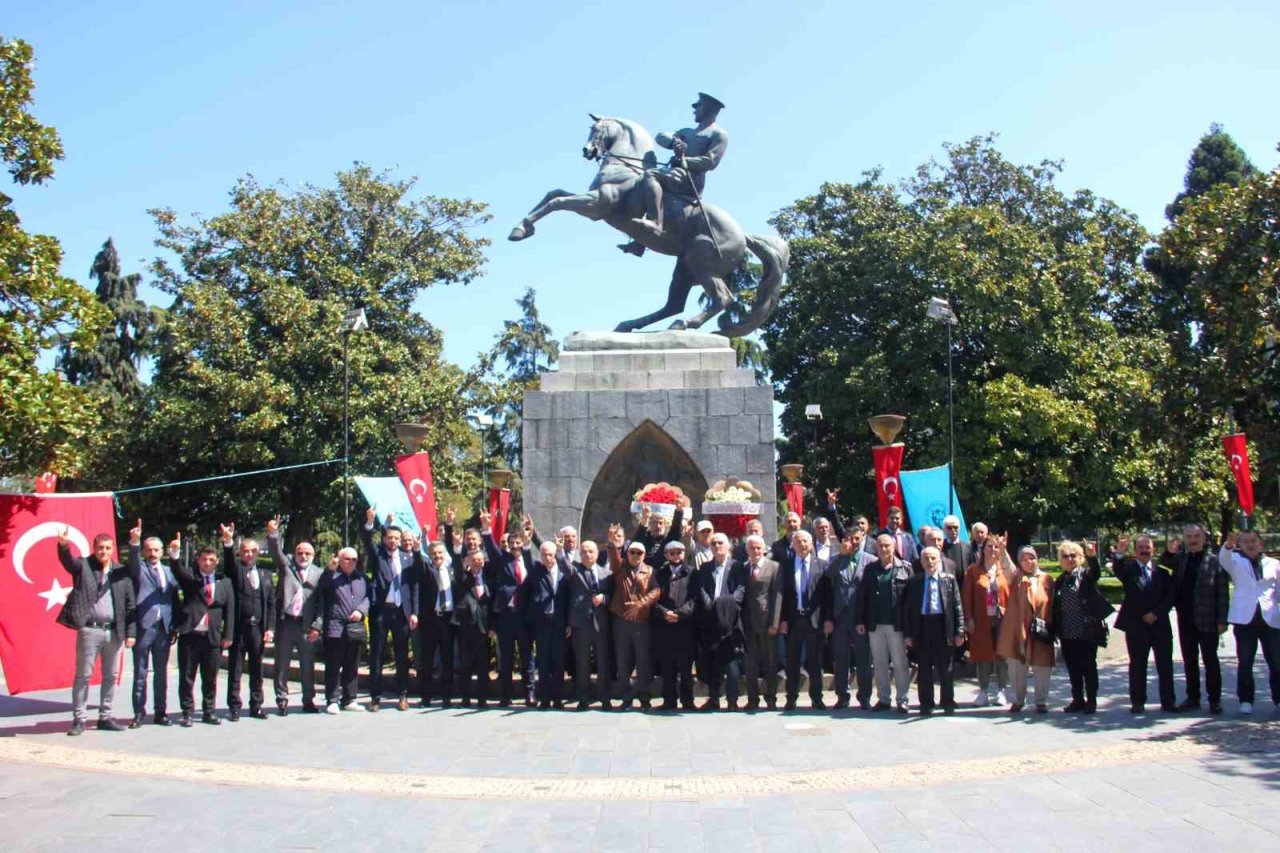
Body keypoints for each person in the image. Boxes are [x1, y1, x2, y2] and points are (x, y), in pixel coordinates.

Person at [622, 92, 728, 254]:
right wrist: (673, 142)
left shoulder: (718, 134)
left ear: (706, 109)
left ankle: (656, 223)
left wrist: (684, 162)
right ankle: (640, 242)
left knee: (651, 175)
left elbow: (711, 161)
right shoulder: (686, 132)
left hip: (691, 179)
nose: (694, 110)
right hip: (674, 174)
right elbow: (660, 136)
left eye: (697, 106)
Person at [57, 528, 137, 735]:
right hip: (90, 631)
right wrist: (64, 546)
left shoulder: (121, 573)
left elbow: (129, 605)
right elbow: (68, 563)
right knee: (83, 676)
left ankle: (106, 716)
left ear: (113, 550)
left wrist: (131, 633)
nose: (104, 551)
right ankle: (79, 719)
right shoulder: (84, 566)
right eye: (100, 548)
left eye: (108, 548)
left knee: (111, 676)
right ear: (94, 549)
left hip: (114, 632)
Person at [1162, 525, 1229, 713]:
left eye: (1197, 536)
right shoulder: (1180, 559)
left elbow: (1222, 592)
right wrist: (1169, 550)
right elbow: (1164, 561)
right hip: (1185, 618)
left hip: (1208, 619)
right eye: (1189, 536)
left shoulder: (1215, 561)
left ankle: (1214, 700)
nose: (1193, 539)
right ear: (1184, 539)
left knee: (1211, 661)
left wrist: (1222, 620)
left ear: (1204, 538)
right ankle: (1193, 697)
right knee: (1189, 660)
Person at [170, 535, 235, 726]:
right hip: (191, 635)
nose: (207, 563)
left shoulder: (224, 582)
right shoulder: (191, 577)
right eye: (204, 559)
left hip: (212, 638)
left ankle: (209, 711)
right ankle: (187, 712)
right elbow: (177, 570)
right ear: (198, 560)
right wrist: (174, 553)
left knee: (210, 678)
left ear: (217, 562)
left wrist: (228, 635)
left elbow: (229, 610)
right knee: (187, 676)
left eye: (211, 560)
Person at [266, 516, 325, 715]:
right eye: (300, 552)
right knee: (281, 664)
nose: (303, 556)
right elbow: (276, 553)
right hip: (287, 623)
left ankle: (308, 700)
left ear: (313, 555)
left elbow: (321, 603)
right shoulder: (287, 567)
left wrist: (317, 625)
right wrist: (273, 534)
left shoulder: (319, 573)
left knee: (307, 665)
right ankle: (281, 700)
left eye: (307, 553)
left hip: (307, 626)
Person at [1111, 535, 1177, 713]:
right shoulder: (1128, 569)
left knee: (1165, 665)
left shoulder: (1162, 572)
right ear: (1135, 550)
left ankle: (1168, 702)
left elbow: (1170, 597)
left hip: (1160, 624)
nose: (1144, 549)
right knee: (1137, 664)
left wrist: (1156, 613)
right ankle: (1138, 702)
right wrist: (1119, 553)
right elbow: (1117, 569)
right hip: (1136, 626)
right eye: (1140, 546)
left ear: (1153, 549)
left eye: (1147, 546)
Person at [1218, 530, 1280, 715]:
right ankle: (1246, 700)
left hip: (1270, 619)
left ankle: (1278, 698)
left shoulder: (1274, 564)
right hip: (1245, 620)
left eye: (1253, 541)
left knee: (1276, 662)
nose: (1250, 544)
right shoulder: (1235, 561)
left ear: (1261, 543)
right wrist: (1228, 545)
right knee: (1245, 662)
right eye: (1245, 541)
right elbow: (1223, 558)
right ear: (1240, 545)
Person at [360, 510, 416, 712]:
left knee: (402, 655)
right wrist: (370, 522)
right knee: (377, 654)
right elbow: (367, 539)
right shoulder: (378, 555)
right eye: (390, 538)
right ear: (384, 539)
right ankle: (375, 697)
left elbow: (412, 587)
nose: (393, 541)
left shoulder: (407, 558)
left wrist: (414, 612)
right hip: (381, 612)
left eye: (397, 538)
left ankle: (403, 695)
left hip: (401, 613)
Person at [219, 523, 275, 721]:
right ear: (240, 553)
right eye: (245, 551)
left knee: (257, 669)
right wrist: (228, 541)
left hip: (258, 629)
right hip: (238, 629)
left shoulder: (266, 575)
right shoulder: (236, 572)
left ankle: (256, 706)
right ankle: (234, 706)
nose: (249, 554)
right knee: (235, 669)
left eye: (252, 551)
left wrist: (270, 628)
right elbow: (228, 562)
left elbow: (270, 604)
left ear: (257, 553)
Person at [125, 520, 179, 728]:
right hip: (143, 627)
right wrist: (135, 542)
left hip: (163, 628)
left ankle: (161, 712)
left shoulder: (168, 572)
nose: (152, 553)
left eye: (156, 550)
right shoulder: (139, 569)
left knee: (161, 673)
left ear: (162, 551)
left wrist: (173, 625)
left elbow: (174, 598)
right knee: (140, 673)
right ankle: (138, 713)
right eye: (148, 550)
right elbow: (132, 561)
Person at [902, 547, 965, 714]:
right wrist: (908, 634)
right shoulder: (914, 582)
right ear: (921, 562)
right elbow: (907, 610)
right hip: (922, 628)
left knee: (946, 670)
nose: (930, 562)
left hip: (943, 627)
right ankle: (926, 703)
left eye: (933, 558)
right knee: (924, 669)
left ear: (939, 560)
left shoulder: (949, 580)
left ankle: (948, 702)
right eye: (926, 559)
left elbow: (957, 607)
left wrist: (959, 632)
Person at [483, 510, 536, 707]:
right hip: (506, 616)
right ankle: (506, 695)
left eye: (518, 544)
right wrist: (486, 528)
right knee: (505, 658)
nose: (515, 547)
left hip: (524, 618)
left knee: (526, 657)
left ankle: (530, 693)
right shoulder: (502, 560)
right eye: (512, 544)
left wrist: (528, 534)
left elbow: (533, 566)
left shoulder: (529, 560)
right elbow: (490, 547)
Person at [1052, 540, 1111, 714]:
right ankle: (1078, 699)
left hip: (1087, 631)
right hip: (1067, 632)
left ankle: (1091, 701)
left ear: (1080, 558)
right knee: (1073, 668)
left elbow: (1096, 572)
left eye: (1073, 555)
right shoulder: (1060, 580)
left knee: (1088, 667)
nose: (1069, 559)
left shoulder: (1086, 575)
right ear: (1060, 560)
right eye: (1065, 556)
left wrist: (1093, 557)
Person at [857, 534, 913, 712]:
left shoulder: (905, 568)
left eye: (887, 545)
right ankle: (884, 698)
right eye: (880, 546)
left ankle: (903, 698)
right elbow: (862, 597)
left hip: (897, 624)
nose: (884, 549)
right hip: (875, 623)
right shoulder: (870, 569)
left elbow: (911, 600)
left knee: (899, 662)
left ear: (894, 546)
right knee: (879, 662)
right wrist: (860, 620)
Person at [996, 547, 1056, 713]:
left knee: (1042, 666)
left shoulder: (1047, 578)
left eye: (1032, 558)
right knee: (1016, 665)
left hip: (1041, 629)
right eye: (1024, 559)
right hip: (1018, 629)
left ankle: (1041, 701)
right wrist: (1002, 552)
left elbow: (1053, 603)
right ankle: (1018, 699)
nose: (1029, 562)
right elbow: (1007, 566)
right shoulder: (1016, 577)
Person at [609, 530, 662, 709]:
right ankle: (626, 696)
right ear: (627, 554)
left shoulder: (650, 570)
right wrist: (611, 543)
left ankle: (644, 696)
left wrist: (641, 604)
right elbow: (613, 557)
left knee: (643, 661)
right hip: (622, 621)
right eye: (632, 552)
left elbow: (656, 591)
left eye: (639, 553)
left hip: (640, 622)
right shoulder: (620, 568)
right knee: (623, 660)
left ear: (644, 555)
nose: (635, 556)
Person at [694, 532, 747, 710]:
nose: (717, 546)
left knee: (732, 663)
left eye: (720, 543)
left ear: (728, 546)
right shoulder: (705, 568)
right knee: (712, 662)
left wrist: (723, 607)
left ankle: (732, 701)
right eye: (714, 543)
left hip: (731, 622)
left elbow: (740, 592)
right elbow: (702, 590)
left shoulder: (738, 567)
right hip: (711, 621)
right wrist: (712, 608)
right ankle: (714, 698)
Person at [779, 530, 828, 710]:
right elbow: (781, 595)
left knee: (815, 661)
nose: (803, 545)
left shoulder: (822, 565)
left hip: (814, 620)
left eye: (806, 541)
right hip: (793, 620)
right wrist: (782, 619)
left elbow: (826, 596)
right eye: (799, 542)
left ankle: (817, 697)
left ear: (811, 544)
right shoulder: (785, 565)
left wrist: (827, 619)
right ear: (793, 545)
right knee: (792, 661)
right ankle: (791, 697)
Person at [962, 536, 1014, 706]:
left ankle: (1001, 690)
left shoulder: (1004, 569)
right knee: (982, 656)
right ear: (983, 549)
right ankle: (983, 691)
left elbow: (1013, 588)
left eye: (996, 547)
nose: (993, 550)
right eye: (989, 546)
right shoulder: (973, 570)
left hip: (1002, 619)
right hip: (981, 619)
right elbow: (966, 596)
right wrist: (968, 618)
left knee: (1001, 656)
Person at [825, 528, 873, 709]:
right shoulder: (836, 559)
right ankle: (842, 696)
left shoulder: (870, 561)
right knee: (841, 659)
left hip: (860, 619)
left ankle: (865, 696)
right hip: (840, 618)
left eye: (857, 539)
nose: (854, 542)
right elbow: (827, 577)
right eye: (850, 539)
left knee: (863, 659)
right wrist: (840, 557)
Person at [319, 547, 369, 713]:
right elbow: (322, 588)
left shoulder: (361, 578)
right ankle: (332, 699)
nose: (351, 562)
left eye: (354, 559)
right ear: (339, 559)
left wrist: (360, 611)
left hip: (355, 627)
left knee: (352, 665)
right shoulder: (332, 575)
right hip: (335, 627)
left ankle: (349, 699)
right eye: (347, 559)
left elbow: (368, 598)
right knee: (334, 665)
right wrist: (329, 570)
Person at [566, 539, 613, 710]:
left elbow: (612, 595)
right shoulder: (574, 571)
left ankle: (605, 698)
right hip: (581, 624)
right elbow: (562, 563)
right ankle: (583, 698)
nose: (587, 554)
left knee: (603, 662)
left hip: (601, 623)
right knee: (582, 663)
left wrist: (604, 598)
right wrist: (557, 549)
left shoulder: (606, 573)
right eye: (584, 551)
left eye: (590, 551)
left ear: (597, 553)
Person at [524, 541, 570, 708]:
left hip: (559, 623)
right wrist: (527, 544)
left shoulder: (564, 573)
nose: (548, 558)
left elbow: (568, 599)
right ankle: (544, 698)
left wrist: (568, 622)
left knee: (558, 662)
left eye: (550, 554)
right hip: (542, 624)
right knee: (543, 662)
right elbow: (527, 560)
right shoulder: (536, 571)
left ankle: (558, 698)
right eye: (544, 554)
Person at [413, 539, 459, 707]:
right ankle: (426, 696)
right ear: (430, 556)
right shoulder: (428, 570)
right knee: (428, 660)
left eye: (440, 553)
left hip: (448, 620)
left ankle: (446, 696)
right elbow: (419, 565)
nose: (437, 556)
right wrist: (418, 550)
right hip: (431, 621)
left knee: (447, 660)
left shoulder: (451, 570)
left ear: (445, 554)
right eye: (434, 554)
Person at [654, 540, 698, 710]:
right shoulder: (659, 573)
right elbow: (654, 597)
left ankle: (688, 701)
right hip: (665, 626)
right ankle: (669, 700)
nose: (676, 555)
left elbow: (695, 599)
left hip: (685, 626)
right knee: (667, 666)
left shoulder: (691, 572)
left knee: (686, 666)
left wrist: (679, 614)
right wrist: (665, 613)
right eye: (672, 553)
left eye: (679, 552)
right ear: (666, 555)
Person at [740, 534, 781, 710]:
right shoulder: (743, 567)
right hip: (748, 624)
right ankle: (752, 698)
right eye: (752, 548)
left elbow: (777, 596)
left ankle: (771, 698)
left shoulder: (774, 567)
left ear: (764, 549)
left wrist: (775, 622)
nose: (755, 551)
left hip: (767, 623)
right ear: (747, 550)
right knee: (750, 664)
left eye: (758, 548)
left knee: (770, 662)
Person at [453, 548, 492, 707]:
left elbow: (493, 604)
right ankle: (466, 697)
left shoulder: (489, 578)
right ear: (468, 562)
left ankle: (482, 699)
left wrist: (493, 627)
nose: (477, 562)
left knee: (483, 666)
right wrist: (456, 550)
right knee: (466, 664)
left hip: (484, 627)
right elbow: (457, 566)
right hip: (466, 627)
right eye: (474, 560)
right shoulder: (462, 578)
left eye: (479, 559)